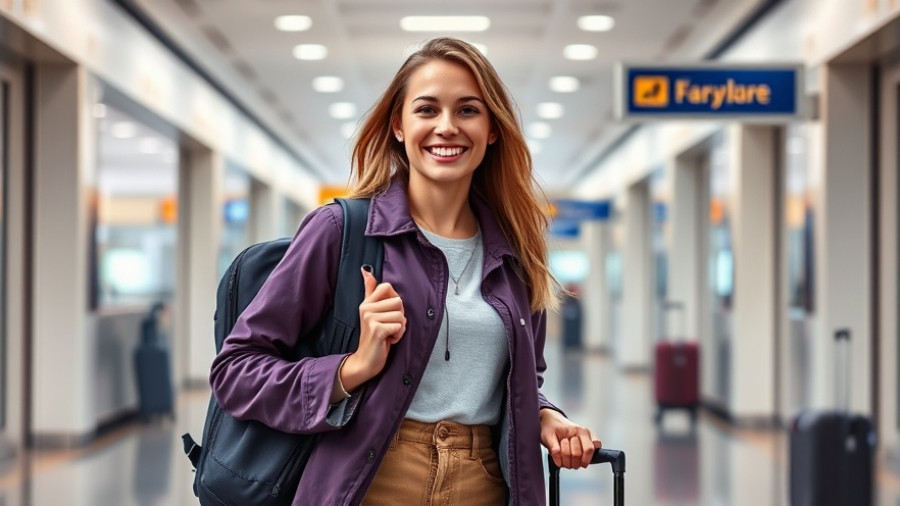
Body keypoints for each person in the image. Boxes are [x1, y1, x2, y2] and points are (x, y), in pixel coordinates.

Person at [209, 37, 601, 506]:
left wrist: (546, 416)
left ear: (493, 129)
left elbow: (521, 381)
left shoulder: (516, 249)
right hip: (369, 482)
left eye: (468, 110)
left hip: (485, 485)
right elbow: (236, 371)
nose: (447, 127)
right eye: (427, 110)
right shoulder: (341, 231)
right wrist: (351, 369)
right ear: (398, 125)